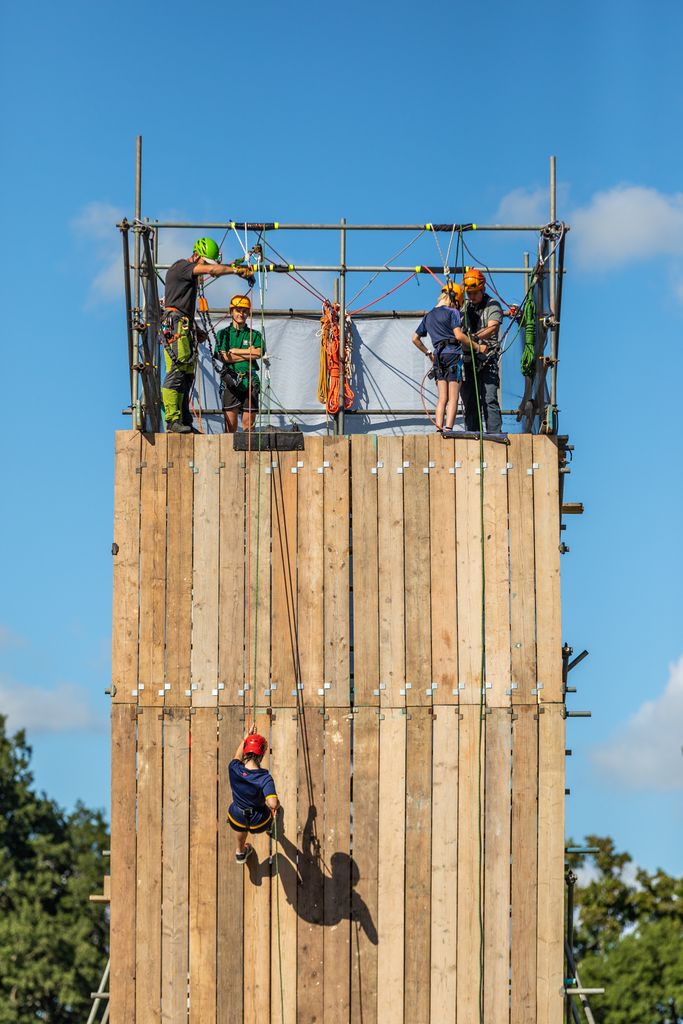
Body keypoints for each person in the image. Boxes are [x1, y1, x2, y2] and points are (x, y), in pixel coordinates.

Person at [161, 237, 252, 434]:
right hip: (176, 325)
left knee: (186, 375)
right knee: (176, 372)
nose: (206, 269)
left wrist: (195, 330)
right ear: (196, 256)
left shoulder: (189, 278)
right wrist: (236, 270)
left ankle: (184, 420)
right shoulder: (182, 266)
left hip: (183, 325)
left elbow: (184, 307)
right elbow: (212, 270)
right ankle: (172, 420)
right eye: (205, 263)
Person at [411, 282, 469, 431]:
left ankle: (439, 428)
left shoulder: (428, 316)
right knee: (454, 397)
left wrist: (428, 352)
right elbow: (458, 335)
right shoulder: (452, 312)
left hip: (438, 356)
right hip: (453, 355)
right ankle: (449, 428)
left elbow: (415, 339)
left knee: (442, 398)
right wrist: (476, 346)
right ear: (455, 300)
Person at [227, 722, 279, 864]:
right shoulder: (264, 778)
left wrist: (247, 738)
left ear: (245, 751)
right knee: (272, 807)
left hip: (237, 816)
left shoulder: (234, 768)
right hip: (259, 822)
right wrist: (276, 804)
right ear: (262, 754)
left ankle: (240, 852)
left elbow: (236, 756)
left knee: (239, 822)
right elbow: (273, 803)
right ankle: (269, 828)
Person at [459, 268, 504, 434]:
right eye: (468, 293)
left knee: (489, 398)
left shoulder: (492, 305)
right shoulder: (464, 308)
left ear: (483, 289)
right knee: (470, 401)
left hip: (487, 359)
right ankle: (473, 435)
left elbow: (493, 327)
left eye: (475, 293)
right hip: (467, 359)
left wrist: (474, 339)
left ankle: (494, 434)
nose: (471, 297)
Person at [214, 294, 266, 433]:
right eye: (238, 310)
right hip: (231, 381)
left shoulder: (254, 334)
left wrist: (236, 351)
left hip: (250, 380)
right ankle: (229, 454)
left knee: (249, 427)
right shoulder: (223, 334)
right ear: (231, 312)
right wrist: (248, 353)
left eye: (244, 311)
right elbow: (224, 357)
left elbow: (259, 353)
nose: (241, 314)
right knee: (230, 426)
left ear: (248, 313)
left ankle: (249, 454)